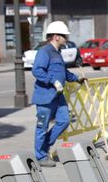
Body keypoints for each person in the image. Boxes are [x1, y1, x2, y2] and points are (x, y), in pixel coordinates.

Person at [32, 21, 86, 167]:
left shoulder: (57, 52)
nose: (66, 38)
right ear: (56, 36)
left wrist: (77, 79)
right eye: (64, 36)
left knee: (64, 120)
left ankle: (44, 146)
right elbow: (37, 70)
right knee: (42, 127)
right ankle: (41, 156)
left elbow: (63, 72)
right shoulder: (44, 51)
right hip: (45, 96)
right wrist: (51, 81)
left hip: (58, 95)